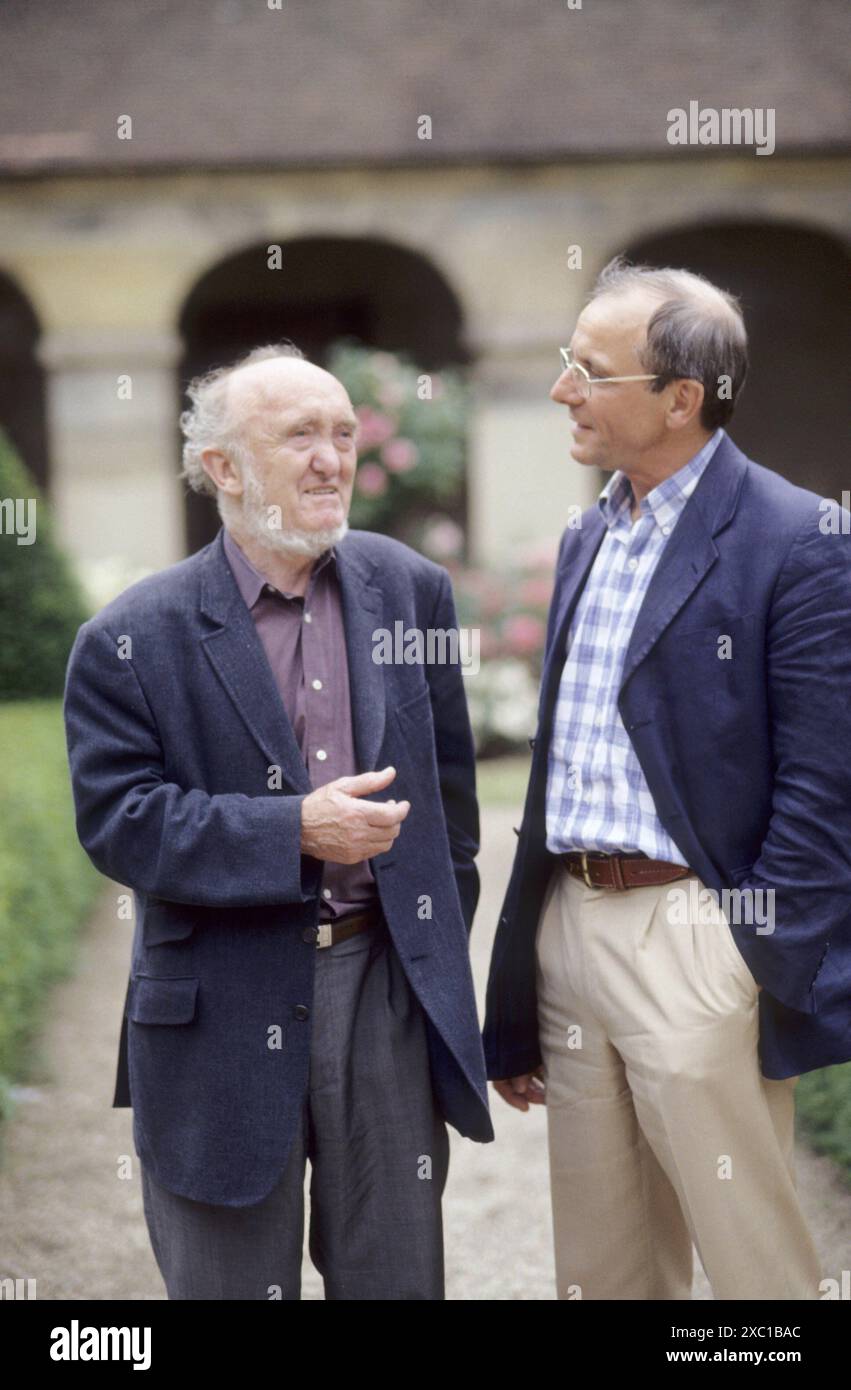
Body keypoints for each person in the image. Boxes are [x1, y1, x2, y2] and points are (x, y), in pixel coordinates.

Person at [63, 343, 493, 1300]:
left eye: (342, 434)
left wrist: (430, 964)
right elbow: (120, 822)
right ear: (223, 468)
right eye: (300, 435)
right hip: (215, 1006)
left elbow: (451, 808)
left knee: (395, 1285)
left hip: (381, 993)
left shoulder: (409, 589)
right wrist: (292, 830)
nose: (331, 459)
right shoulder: (134, 635)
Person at [483, 256, 851, 1300]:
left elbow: (826, 786)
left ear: (679, 399)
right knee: (600, 1265)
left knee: (749, 1265)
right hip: (569, 923)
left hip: (693, 936)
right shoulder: (587, 530)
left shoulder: (798, 539)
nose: (562, 388)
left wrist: (746, 952)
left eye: (587, 370)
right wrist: (523, 977)